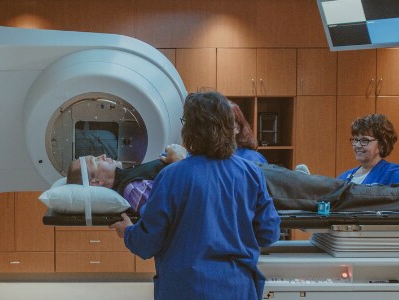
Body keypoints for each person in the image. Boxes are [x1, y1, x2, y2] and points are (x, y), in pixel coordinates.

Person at [109, 91, 280, 300]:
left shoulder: (172, 176)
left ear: (189, 129)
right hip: (237, 287)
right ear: (229, 127)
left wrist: (128, 232)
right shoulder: (251, 173)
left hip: (186, 288)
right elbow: (269, 233)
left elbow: (147, 242)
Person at [67, 141, 399, 213]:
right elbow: (164, 206)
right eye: (94, 161)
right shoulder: (130, 188)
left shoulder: (131, 174)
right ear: (97, 183)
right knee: (335, 193)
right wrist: (180, 160)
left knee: (333, 189)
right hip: (245, 188)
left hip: (245, 178)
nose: (101, 155)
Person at [338, 114, 399, 185]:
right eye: (356, 140)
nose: (357, 145)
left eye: (365, 140)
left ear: (382, 144)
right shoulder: (343, 178)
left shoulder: (395, 174)